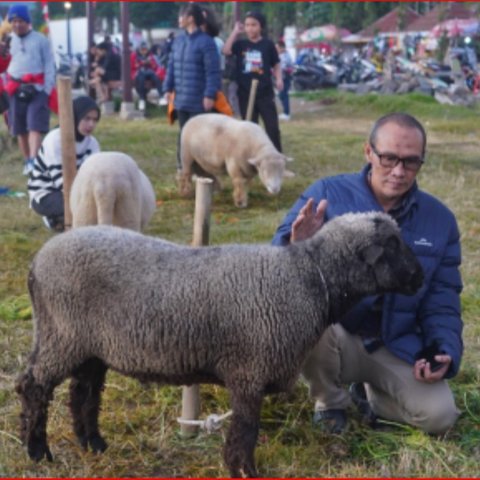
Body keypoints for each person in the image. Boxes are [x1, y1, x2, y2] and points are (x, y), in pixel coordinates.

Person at [272, 112, 463, 435]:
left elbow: (442, 299)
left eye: (411, 162)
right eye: (388, 159)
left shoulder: (439, 220)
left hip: (396, 341)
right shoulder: (326, 195)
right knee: (306, 319)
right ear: (368, 152)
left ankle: (371, 397)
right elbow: (273, 272)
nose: (399, 171)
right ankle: (330, 401)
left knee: (440, 417)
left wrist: (442, 348)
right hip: (334, 332)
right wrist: (296, 245)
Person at [27, 96, 101, 232]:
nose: (91, 124)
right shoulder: (55, 139)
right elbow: (60, 180)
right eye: (87, 118)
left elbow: (95, 175)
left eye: (95, 120)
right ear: (75, 116)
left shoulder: (92, 143)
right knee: (82, 208)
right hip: (46, 193)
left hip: (78, 190)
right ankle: (52, 218)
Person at [163, 3, 221, 171]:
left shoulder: (206, 42)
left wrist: (210, 94)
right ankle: (183, 170)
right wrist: (167, 88)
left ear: (191, 19)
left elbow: (212, 72)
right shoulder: (178, 41)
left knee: (201, 138)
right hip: (181, 99)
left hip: (199, 100)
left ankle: (203, 172)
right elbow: (171, 66)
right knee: (183, 136)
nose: (179, 19)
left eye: (182, 16)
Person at [4, 4, 55, 176]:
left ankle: (34, 160)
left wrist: (47, 89)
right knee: (19, 128)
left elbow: (49, 64)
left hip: (37, 88)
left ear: (27, 21)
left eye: (20, 21)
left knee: (34, 124)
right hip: (14, 87)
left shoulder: (40, 39)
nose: (17, 24)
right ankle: (27, 160)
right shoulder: (7, 40)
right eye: (14, 21)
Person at [223, 11, 283, 152]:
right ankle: (253, 156)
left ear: (260, 26)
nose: (250, 28)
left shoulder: (268, 45)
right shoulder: (240, 44)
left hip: (265, 92)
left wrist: (279, 79)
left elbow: (276, 64)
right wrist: (235, 32)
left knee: (272, 127)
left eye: (254, 25)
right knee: (250, 126)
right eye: (248, 25)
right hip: (245, 92)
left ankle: (276, 156)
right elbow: (226, 50)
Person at [131, 41, 163, 111]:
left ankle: (161, 96)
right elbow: (133, 66)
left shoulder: (150, 55)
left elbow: (155, 66)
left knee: (155, 76)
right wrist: (142, 63)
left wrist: (150, 63)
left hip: (148, 72)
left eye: (145, 49)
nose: (144, 51)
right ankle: (142, 99)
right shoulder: (134, 55)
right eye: (142, 49)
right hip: (138, 73)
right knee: (141, 78)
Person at [275, 40, 293, 121]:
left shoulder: (284, 56)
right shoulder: (283, 55)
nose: (276, 50)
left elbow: (282, 68)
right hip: (283, 78)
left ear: (282, 48)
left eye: (277, 48)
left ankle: (286, 113)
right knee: (281, 95)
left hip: (285, 78)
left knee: (283, 95)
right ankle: (286, 112)